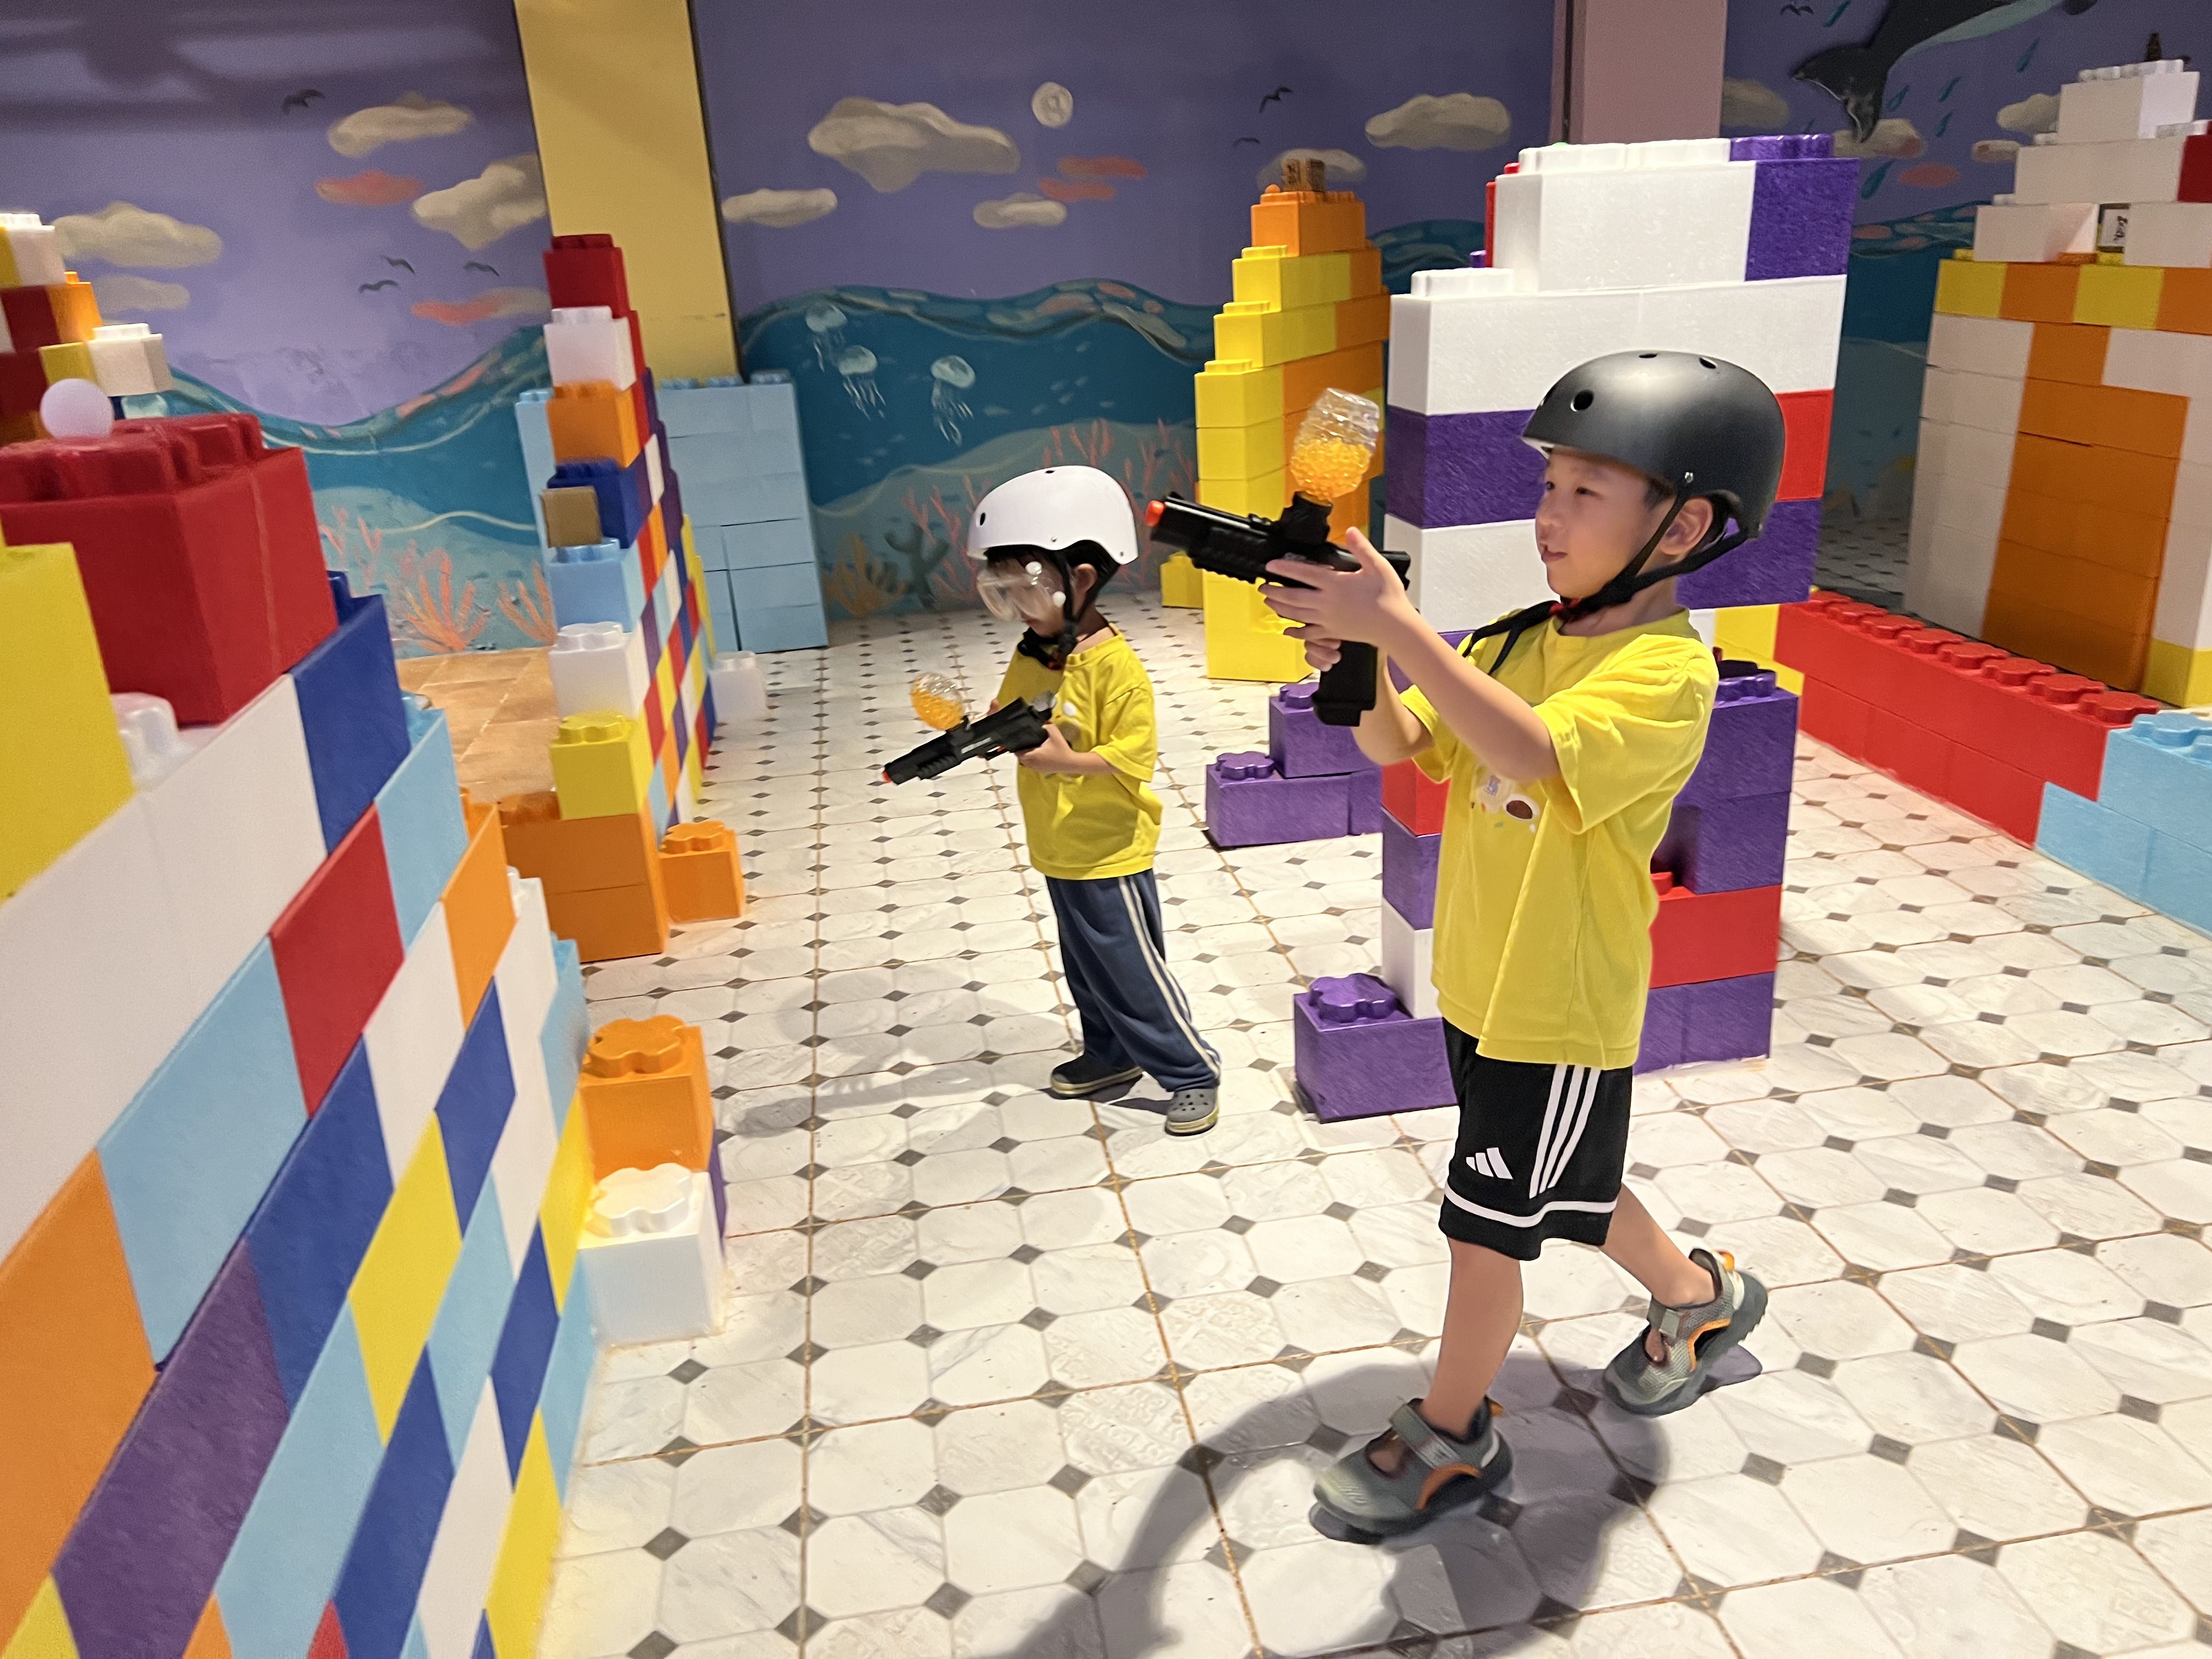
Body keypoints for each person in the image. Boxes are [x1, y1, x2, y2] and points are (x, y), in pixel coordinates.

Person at [1261, 352, 1786, 1538]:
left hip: (1558, 1006)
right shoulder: (1514, 640)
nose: (1548, 515)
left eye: (1585, 491)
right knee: (1573, 1186)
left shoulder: (1667, 672)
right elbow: (1406, 747)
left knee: (1483, 1226)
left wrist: (1400, 625)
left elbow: (1534, 755)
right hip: (1483, 985)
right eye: (1548, 486)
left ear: (1682, 524)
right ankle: (1698, 1298)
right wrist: (1361, 660)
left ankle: (1452, 1436)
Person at [969, 466, 1222, 1136]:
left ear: (1081, 578)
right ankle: (1111, 1054)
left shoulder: (1117, 669)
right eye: (1003, 592)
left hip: (1109, 848)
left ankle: (1191, 1070)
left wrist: (1065, 761)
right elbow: (1014, 711)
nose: (1019, 607)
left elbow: (1133, 756)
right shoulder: (1037, 652)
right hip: (1058, 843)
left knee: (1131, 969)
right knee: (1086, 965)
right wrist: (985, 733)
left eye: (1026, 589)